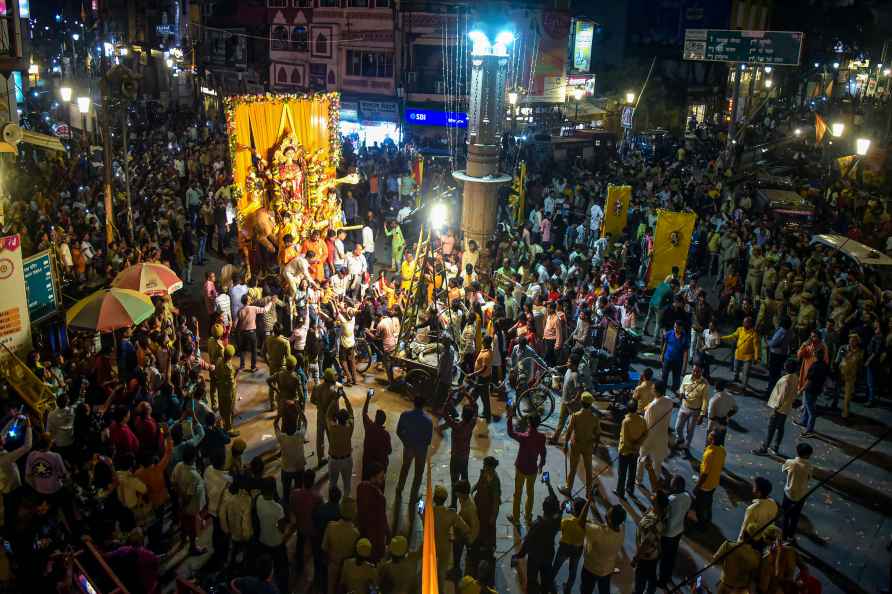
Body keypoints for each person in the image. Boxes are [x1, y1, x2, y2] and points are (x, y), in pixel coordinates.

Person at [506, 407, 547, 525]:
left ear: (529, 423)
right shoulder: (541, 437)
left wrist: (510, 417)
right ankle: (528, 517)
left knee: (517, 493)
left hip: (520, 468)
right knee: (530, 493)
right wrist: (541, 465)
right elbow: (543, 452)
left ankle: (516, 518)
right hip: (533, 469)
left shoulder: (524, 437)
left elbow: (510, 433)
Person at [753, 360, 799, 456]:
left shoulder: (785, 380)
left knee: (771, 428)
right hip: (786, 407)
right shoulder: (795, 377)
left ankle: (764, 448)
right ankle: (776, 447)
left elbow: (781, 396)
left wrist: (775, 409)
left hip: (779, 408)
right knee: (780, 427)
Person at [560, 391, 600, 497]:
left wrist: (565, 444)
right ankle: (588, 492)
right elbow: (598, 434)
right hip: (588, 446)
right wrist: (595, 447)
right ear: (590, 404)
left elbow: (569, 431)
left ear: (581, 402)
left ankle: (568, 488)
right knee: (588, 469)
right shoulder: (594, 417)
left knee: (573, 468)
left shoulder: (576, 416)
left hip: (576, 445)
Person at [580, 503, 626, 594]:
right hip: (607, 569)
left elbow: (581, 522)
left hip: (591, 569)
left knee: (586, 590)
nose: (606, 512)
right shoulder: (622, 529)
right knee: (604, 591)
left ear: (609, 519)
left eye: (608, 512)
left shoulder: (598, 531)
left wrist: (588, 502)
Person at [442, 389, 477, 507]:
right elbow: (476, 407)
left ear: (462, 414)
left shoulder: (456, 426)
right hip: (465, 456)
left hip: (456, 456)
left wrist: (450, 395)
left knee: (454, 481)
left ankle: (453, 504)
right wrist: (467, 394)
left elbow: (444, 412)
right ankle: (466, 504)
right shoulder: (471, 424)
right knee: (465, 479)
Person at [430, 484, 469, 591]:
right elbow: (465, 528)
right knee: (442, 571)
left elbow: (420, 510)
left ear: (434, 498)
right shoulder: (450, 513)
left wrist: (420, 501)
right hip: (444, 546)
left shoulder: (428, 511)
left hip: (431, 545)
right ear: (445, 499)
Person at [395, 396, 433, 504]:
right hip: (421, 450)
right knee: (418, 472)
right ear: (423, 405)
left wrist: (406, 442)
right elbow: (428, 440)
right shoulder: (428, 421)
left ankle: (399, 488)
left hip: (409, 447)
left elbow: (399, 431)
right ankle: (414, 494)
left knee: (405, 468)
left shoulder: (405, 415)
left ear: (414, 403)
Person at [637, 380, 673, 492]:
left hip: (649, 437)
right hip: (662, 436)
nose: (651, 389)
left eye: (653, 388)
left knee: (642, 458)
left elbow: (645, 423)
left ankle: (639, 479)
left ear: (656, 391)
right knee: (657, 461)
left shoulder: (652, 407)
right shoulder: (669, 401)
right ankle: (656, 481)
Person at [322, 496, 360, 594]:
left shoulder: (331, 526)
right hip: (347, 568)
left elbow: (324, 548)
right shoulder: (355, 533)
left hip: (332, 565)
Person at [659, 475, 692, 588]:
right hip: (679, 530)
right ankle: (668, 577)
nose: (670, 487)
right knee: (672, 556)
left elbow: (664, 515)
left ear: (677, 486)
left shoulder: (671, 500)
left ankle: (662, 581)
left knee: (664, 557)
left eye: (672, 485)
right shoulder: (687, 497)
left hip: (668, 532)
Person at [633, 490, 667, 594]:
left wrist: (636, 557)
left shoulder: (655, 523)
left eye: (654, 496)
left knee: (640, 580)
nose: (652, 495)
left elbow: (646, 543)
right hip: (654, 554)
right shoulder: (656, 512)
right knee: (651, 576)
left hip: (645, 557)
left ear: (657, 503)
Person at [713, 526, 761, 594]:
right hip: (741, 590)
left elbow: (715, 561)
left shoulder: (728, 545)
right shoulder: (757, 556)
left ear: (743, 534)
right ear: (756, 539)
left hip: (724, 587)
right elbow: (754, 576)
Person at [553, 497, 586, 594]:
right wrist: (573, 512)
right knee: (573, 570)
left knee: (556, 566)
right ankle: (568, 588)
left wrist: (562, 510)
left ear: (574, 510)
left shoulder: (566, 522)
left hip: (564, 547)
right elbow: (580, 519)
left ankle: (550, 582)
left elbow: (558, 526)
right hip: (577, 549)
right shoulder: (587, 524)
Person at [781, 442, 813, 541]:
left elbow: (784, 471)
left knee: (785, 514)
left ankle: (783, 534)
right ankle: (791, 535)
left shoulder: (790, 462)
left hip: (788, 493)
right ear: (808, 455)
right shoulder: (809, 466)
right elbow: (809, 478)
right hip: (801, 495)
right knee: (795, 517)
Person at [674, 364, 709, 455]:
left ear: (701, 372)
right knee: (677, 427)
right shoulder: (686, 377)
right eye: (694, 371)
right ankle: (680, 439)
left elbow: (705, 400)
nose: (695, 373)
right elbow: (682, 386)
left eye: (697, 371)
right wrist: (681, 392)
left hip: (695, 411)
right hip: (684, 407)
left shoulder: (705, 384)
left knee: (690, 431)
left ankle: (686, 447)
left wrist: (702, 415)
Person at [357, 463, 389, 561]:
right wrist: (388, 533)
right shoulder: (380, 497)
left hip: (362, 527)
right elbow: (382, 519)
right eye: (381, 477)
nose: (383, 479)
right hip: (374, 533)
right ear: (373, 477)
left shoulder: (361, 487)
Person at [326, 389, 355, 494]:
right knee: (347, 485)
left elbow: (328, 415)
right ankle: (346, 505)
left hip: (334, 460)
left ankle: (332, 503)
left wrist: (336, 398)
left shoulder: (333, 428)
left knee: (332, 484)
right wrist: (345, 398)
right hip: (347, 459)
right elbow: (351, 412)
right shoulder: (350, 426)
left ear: (337, 419)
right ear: (346, 419)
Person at [616, 398, 647, 498]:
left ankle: (620, 491)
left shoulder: (626, 421)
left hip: (625, 452)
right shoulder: (642, 419)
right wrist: (637, 445)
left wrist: (632, 447)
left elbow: (625, 440)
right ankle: (630, 489)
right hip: (635, 452)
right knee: (632, 472)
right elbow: (645, 434)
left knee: (622, 473)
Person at [693, 430, 726, 525]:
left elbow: (704, 474)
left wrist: (697, 486)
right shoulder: (722, 450)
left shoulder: (709, 454)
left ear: (713, 440)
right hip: (714, 481)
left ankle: (701, 523)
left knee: (700, 504)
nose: (708, 436)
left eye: (710, 435)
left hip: (705, 485)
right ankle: (707, 518)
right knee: (708, 502)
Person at [722, 316, 761, 391]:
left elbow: (756, 347)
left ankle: (743, 387)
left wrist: (756, 357)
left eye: (745, 322)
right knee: (735, 369)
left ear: (750, 324)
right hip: (738, 354)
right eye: (743, 322)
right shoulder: (740, 329)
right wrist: (722, 338)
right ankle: (736, 378)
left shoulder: (754, 334)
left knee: (745, 373)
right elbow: (732, 335)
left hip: (748, 357)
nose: (743, 323)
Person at [361, 389, 391, 481]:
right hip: (379, 465)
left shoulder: (369, 427)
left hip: (367, 462)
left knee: (365, 484)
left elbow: (364, 413)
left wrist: (367, 398)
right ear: (383, 422)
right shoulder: (386, 434)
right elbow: (389, 451)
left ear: (375, 418)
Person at [310, 367, 339, 466]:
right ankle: (334, 456)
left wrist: (319, 405)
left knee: (320, 438)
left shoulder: (317, 387)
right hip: (330, 418)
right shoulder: (334, 390)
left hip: (320, 416)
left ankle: (320, 459)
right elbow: (336, 408)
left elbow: (312, 400)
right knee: (332, 438)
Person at [738, 476, 779, 544]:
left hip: (753, 539)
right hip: (765, 538)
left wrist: (739, 542)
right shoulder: (773, 504)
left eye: (754, 487)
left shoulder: (752, 509)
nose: (753, 488)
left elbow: (744, 529)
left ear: (759, 492)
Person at [452, 479, 479, 580]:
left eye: (457, 492)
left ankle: (457, 570)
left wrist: (468, 539)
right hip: (465, 532)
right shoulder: (464, 499)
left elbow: (474, 528)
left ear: (462, 494)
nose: (455, 494)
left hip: (469, 536)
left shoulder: (470, 508)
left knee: (457, 547)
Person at [837, 332, 864, 419]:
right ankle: (834, 404)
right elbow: (837, 359)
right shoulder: (843, 348)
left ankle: (845, 413)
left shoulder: (859, 352)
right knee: (836, 391)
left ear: (857, 342)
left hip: (851, 376)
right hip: (841, 372)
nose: (852, 342)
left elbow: (860, 364)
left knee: (847, 395)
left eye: (854, 341)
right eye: (850, 340)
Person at [214, 344, 239, 435]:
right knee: (229, 409)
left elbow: (216, 373)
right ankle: (229, 429)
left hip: (220, 389)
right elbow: (231, 383)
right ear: (231, 356)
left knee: (222, 407)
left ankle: (223, 422)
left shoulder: (219, 361)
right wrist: (236, 374)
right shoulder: (229, 368)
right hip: (228, 392)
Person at [660, 320, 689, 393]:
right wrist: (662, 355)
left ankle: (674, 394)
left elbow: (686, 353)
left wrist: (684, 367)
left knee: (676, 380)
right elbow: (665, 344)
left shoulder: (685, 338)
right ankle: (662, 392)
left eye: (677, 327)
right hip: (667, 359)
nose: (675, 329)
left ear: (681, 328)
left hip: (678, 362)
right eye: (674, 327)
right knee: (664, 376)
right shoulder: (670, 333)